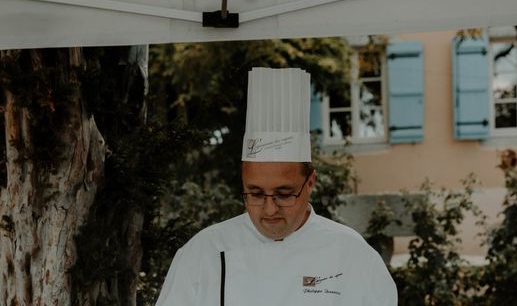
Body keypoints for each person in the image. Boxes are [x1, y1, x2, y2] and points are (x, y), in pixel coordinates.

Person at [156, 68, 397, 305]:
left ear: (310, 182)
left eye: (284, 194)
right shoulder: (202, 252)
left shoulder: (352, 254)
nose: (270, 209)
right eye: (256, 194)